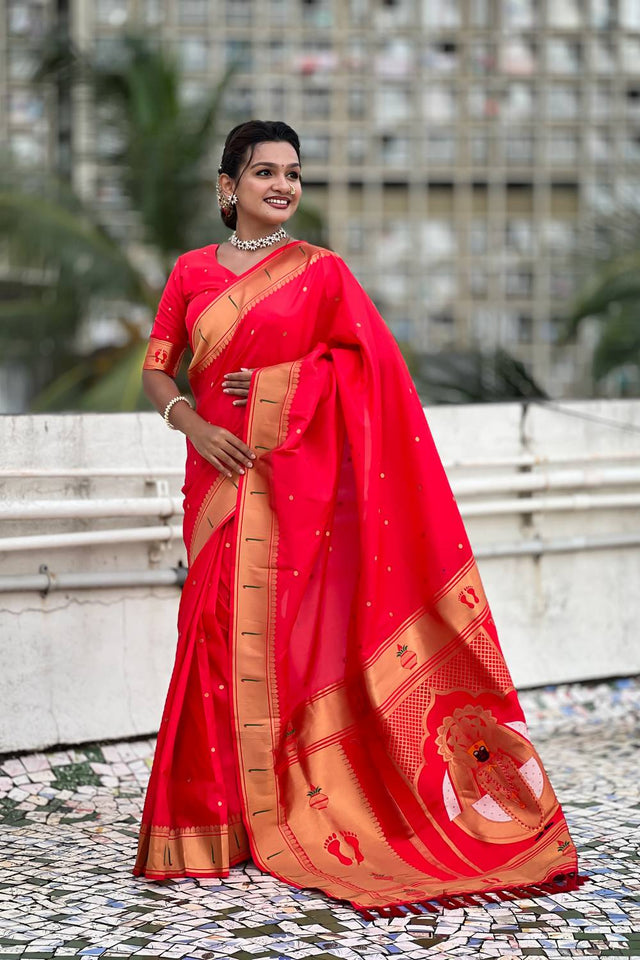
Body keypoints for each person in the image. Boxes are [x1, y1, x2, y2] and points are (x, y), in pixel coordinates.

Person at [133, 120, 579, 916]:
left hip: (294, 488)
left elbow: (371, 369)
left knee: (280, 642)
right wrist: (191, 423)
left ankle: (281, 805)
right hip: (214, 478)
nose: (282, 185)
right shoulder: (192, 272)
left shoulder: (323, 273)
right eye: (264, 172)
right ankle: (209, 822)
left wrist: (285, 387)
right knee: (208, 633)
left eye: (293, 173)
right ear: (226, 186)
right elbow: (158, 366)